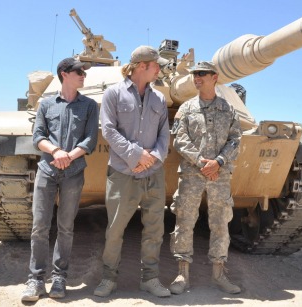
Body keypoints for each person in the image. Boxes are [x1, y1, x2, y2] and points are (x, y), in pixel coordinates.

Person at [94, 46, 171, 298]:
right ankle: (109, 278)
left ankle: (150, 279)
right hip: (123, 172)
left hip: (153, 173)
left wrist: (153, 158)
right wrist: (137, 156)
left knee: (154, 229)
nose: (159, 69)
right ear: (141, 66)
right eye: (155, 65)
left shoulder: (159, 99)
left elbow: (164, 135)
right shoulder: (113, 94)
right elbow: (109, 130)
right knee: (116, 228)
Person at [21, 57, 99, 302]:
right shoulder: (46, 104)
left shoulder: (89, 106)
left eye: (84, 73)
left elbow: (90, 140)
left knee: (66, 227)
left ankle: (59, 278)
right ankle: (35, 279)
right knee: (40, 226)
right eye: (79, 72)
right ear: (64, 74)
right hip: (47, 169)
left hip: (73, 172)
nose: (83, 76)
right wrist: (56, 152)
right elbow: (38, 137)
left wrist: (69, 155)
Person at [169, 61, 242, 295]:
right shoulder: (187, 108)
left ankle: (219, 274)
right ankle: (182, 274)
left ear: (215, 77)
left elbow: (235, 140)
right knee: (185, 221)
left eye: (202, 74)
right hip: (192, 173)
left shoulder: (228, 109)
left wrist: (218, 162)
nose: (197, 77)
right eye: (194, 74)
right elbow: (179, 139)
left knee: (220, 222)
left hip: (219, 174)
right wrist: (201, 162)